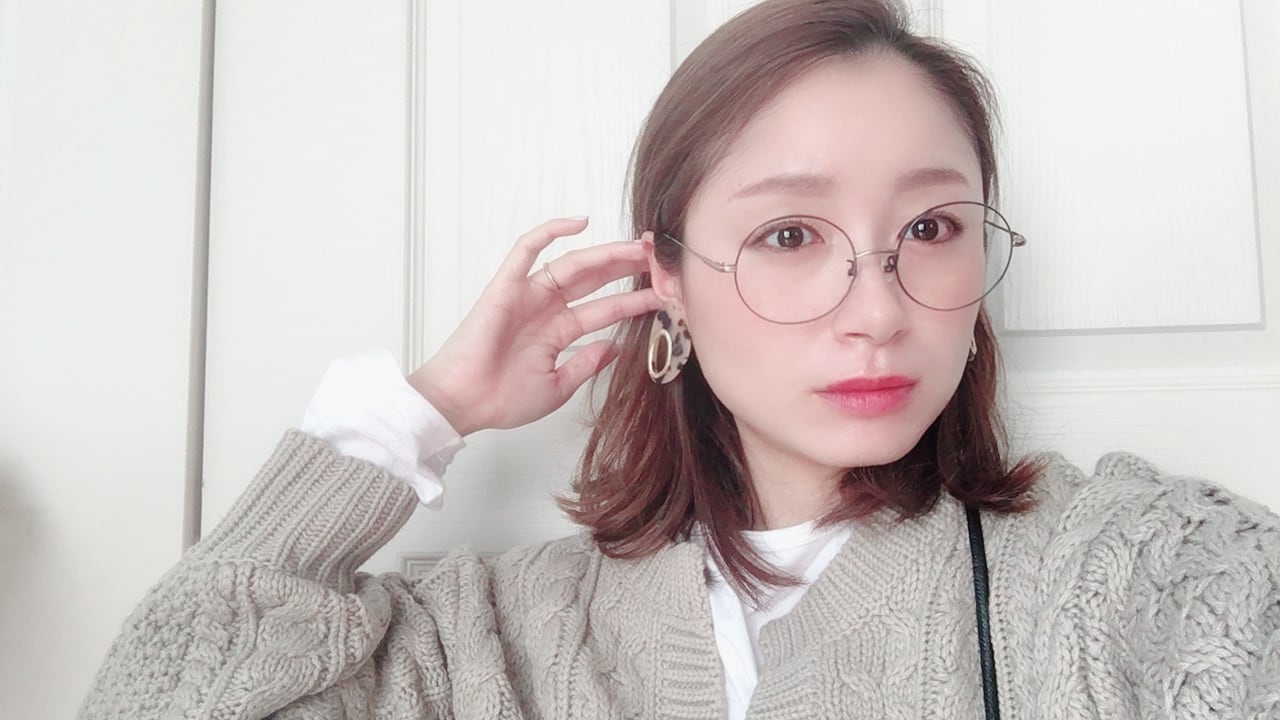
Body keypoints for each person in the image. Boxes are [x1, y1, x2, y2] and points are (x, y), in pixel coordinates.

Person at [80, 0, 1280, 718]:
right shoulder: (488, 639)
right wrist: (422, 412)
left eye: (929, 227)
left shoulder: (1133, 570)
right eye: (788, 236)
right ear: (666, 279)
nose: (876, 310)